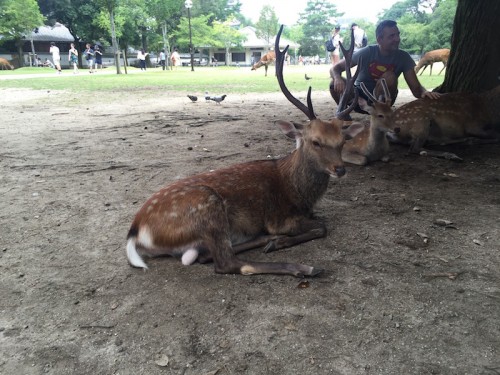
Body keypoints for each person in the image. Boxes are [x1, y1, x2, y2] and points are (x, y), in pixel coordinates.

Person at [330, 19, 440, 114]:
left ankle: (379, 111)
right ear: (379, 40)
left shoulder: (403, 57)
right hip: (357, 99)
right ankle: (345, 114)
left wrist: (424, 92)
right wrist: (337, 78)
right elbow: (335, 68)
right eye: (392, 36)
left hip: (382, 103)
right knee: (333, 84)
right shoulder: (366, 52)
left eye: (397, 34)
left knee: (390, 76)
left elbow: (416, 89)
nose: (397, 39)